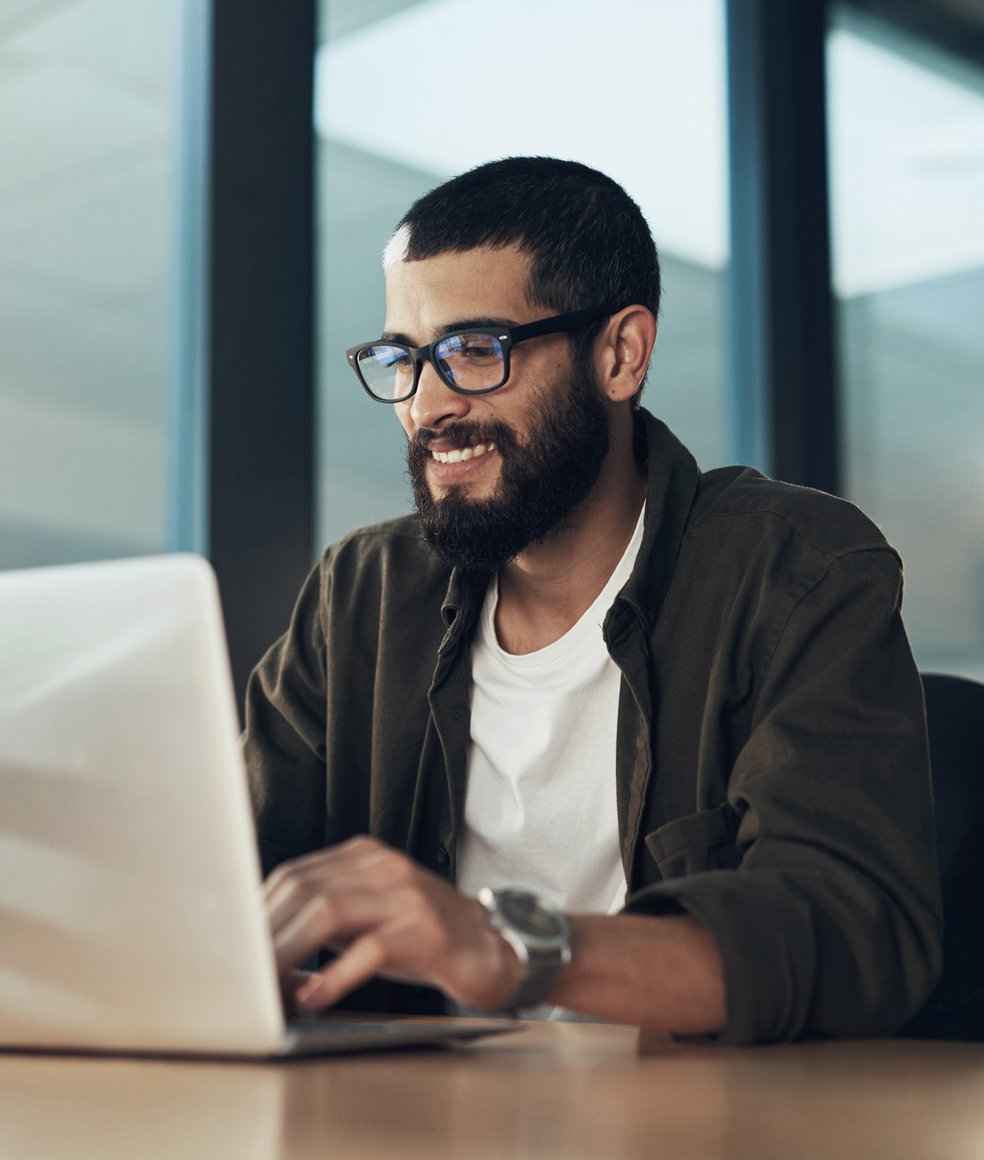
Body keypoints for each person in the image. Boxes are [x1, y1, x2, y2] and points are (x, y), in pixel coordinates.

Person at [243, 157, 941, 1045]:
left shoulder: (796, 568)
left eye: (474, 351)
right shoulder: (362, 595)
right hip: (408, 1121)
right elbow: (226, 870)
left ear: (621, 354)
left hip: (698, 1126)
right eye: (403, 358)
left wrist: (513, 949)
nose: (426, 406)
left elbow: (853, 930)